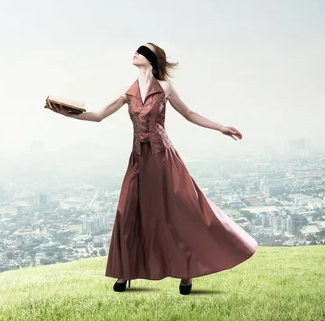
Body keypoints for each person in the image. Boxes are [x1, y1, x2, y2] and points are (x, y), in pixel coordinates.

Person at [45, 43, 258, 294]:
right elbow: (98, 115)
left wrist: (220, 127)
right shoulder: (129, 93)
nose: (135, 53)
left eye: (142, 51)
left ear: (151, 60)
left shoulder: (165, 88)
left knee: (179, 212)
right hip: (138, 160)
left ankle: (186, 272)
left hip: (164, 159)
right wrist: (64, 112)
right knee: (128, 213)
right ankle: (124, 273)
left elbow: (189, 113)